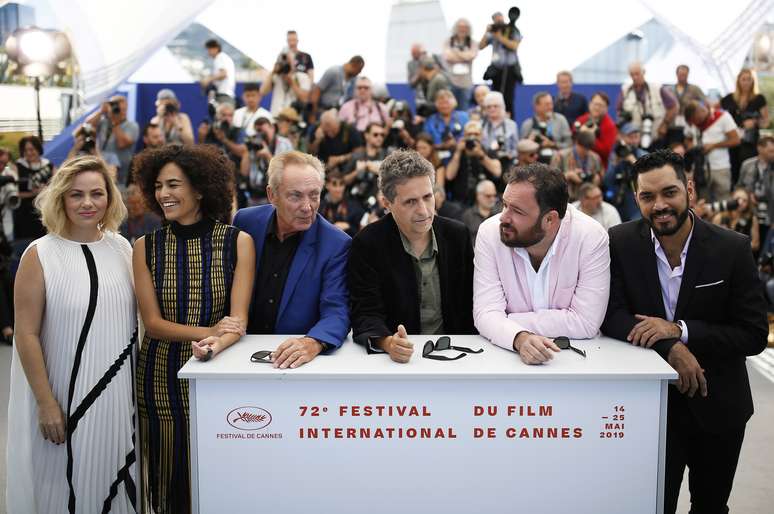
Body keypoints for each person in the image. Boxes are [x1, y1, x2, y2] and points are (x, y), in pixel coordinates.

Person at [600, 149, 767, 514]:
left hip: (719, 405)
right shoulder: (619, 242)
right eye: (648, 196)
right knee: (652, 506)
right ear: (636, 199)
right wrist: (670, 345)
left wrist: (683, 330)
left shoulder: (732, 248)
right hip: (651, 409)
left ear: (689, 189)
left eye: (669, 192)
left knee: (710, 507)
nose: (660, 205)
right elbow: (611, 316)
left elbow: (753, 334)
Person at [7, 155, 136, 513]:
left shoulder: (122, 248)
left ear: (110, 198)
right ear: (61, 198)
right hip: (63, 397)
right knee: (64, 489)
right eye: (76, 194)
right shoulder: (40, 254)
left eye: (97, 193)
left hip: (117, 401)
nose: (88, 203)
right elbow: (27, 334)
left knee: (117, 486)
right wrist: (47, 403)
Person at [132, 144, 255, 514]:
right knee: (169, 485)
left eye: (174, 185)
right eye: (158, 186)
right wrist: (208, 331)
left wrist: (214, 344)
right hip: (158, 379)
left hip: (215, 376)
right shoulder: (144, 246)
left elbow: (239, 322)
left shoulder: (238, 242)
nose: (163, 194)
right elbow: (152, 325)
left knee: (218, 476)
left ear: (199, 188)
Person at [473, 162, 610, 365]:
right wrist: (519, 338)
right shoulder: (489, 232)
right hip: (506, 359)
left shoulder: (590, 236)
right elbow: (485, 313)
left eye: (517, 211)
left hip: (579, 362)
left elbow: (586, 323)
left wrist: (504, 323)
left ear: (550, 220)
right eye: (504, 205)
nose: (503, 217)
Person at [349, 149, 475, 362]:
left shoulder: (457, 235)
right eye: (410, 202)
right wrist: (387, 342)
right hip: (398, 363)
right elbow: (365, 313)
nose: (424, 210)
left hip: (457, 355)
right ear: (386, 204)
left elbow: (471, 303)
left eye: (428, 197)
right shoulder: (367, 243)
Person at [232, 151, 351, 366]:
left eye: (314, 195)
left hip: (297, 362)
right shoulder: (246, 222)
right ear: (272, 195)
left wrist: (314, 342)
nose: (307, 207)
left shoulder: (336, 243)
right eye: (295, 196)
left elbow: (337, 310)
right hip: (237, 351)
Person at [684, 100, 740, 201]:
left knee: (724, 200)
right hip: (700, 168)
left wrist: (714, 145)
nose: (696, 123)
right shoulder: (694, 123)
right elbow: (687, 137)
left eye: (697, 120)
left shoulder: (723, 116)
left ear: (701, 111)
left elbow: (736, 140)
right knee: (703, 200)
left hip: (720, 167)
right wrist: (692, 148)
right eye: (693, 121)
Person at [721, 68, 770, 183]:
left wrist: (755, 122)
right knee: (733, 168)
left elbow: (766, 121)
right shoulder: (729, 98)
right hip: (732, 139)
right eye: (743, 79)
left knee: (748, 167)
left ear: (753, 81)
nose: (746, 82)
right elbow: (716, 111)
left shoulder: (759, 98)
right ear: (738, 81)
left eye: (749, 79)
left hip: (750, 141)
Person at [616, 61, 678, 149]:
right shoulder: (625, 90)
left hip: (655, 138)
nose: (634, 77)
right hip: (633, 141)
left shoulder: (657, 88)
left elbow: (674, 106)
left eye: (637, 74)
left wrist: (665, 124)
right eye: (632, 75)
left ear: (644, 72)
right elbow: (619, 111)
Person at [85, 95, 139, 185]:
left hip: (121, 175)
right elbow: (87, 125)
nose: (119, 111)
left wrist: (115, 123)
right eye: (115, 107)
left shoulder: (132, 126)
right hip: (101, 167)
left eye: (122, 109)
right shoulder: (104, 122)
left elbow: (121, 144)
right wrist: (101, 111)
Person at [239, 116, 294, 206]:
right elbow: (244, 172)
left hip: (276, 196)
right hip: (255, 196)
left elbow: (287, 171)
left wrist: (268, 156)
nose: (261, 135)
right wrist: (247, 152)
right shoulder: (254, 144)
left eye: (263, 132)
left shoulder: (284, 144)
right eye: (258, 131)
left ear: (272, 128)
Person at [445, 120, 502, 205]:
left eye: (476, 134)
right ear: (464, 136)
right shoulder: (457, 151)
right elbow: (449, 176)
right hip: (460, 201)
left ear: (481, 136)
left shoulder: (488, 151)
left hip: (485, 201)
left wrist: (481, 155)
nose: (472, 137)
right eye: (469, 134)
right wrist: (458, 152)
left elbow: (497, 172)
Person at [12, 136, 55, 245]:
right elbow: (13, 194)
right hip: (24, 215)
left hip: (44, 214)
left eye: (31, 149)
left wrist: (46, 190)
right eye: (25, 150)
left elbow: (58, 187)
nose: (29, 153)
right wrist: (33, 193)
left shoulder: (49, 165)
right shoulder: (17, 166)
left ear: (38, 149)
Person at [479, 8, 522, 115]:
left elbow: (514, 46)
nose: (499, 23)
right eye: (497, 21)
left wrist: (500, 37)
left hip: (510, 68)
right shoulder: (492, 32)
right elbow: (480, 46)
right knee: (496, 95)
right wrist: (487, 32)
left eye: (501, 21)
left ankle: (508, 118)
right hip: (496, 69)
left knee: (508, 98)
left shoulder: (512, 30)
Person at [605, 123, 647, 222]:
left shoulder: (644, 155)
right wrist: (615, 164)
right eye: (629, 137)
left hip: (636, 202)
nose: (633, 141)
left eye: (636, 137)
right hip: (619, 199)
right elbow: (607, 181)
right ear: (622, 138)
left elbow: (647, 179)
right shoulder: (616, 154)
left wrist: (633, 161)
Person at [550, 125, 603, 201]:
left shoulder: (595, 157)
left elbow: (600, 177)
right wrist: (567, 176)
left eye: (588, 149)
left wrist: (597, 179)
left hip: (589, 199)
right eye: (583, 148)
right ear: (577, 143)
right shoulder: (560, 156)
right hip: (566, 200)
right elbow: (550, 181)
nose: (586, 152)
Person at [737, 135, 774, 243]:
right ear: (760, 148)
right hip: (750, 211)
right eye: (771, 151)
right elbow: (739, 186)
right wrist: (747, 195)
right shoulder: (747, 165)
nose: (773, 154)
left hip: (770, 212)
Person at [342, 123, 388, 208]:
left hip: (379, 204)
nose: (379, 138)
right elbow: (343, 181)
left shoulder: (387, 155)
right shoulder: (356, 156)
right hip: (356, 201)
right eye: (375, 134)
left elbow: (395, 177)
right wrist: (357, 172)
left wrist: (376, 169)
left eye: (382, 135)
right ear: (366, 135)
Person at [520, 92, 572, 164]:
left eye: (551, 104)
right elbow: (520, 149)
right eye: (547, 104)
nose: (550, 107)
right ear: (536, 107)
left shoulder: (560, 120)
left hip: (557, 156)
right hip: (535, 158)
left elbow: (569, 144)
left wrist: (553, 144)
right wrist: (530, 142)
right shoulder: (528, 124)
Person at [259, 49, 312, 117]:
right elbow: (262, 92)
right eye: (283, 60)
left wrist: (292, 82)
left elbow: (304, 99)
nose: (285, 63)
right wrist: (273, 72)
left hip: (293, 118)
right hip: (276, 116)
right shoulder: (276, 76)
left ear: (294, 62)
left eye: (288, 60)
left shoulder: (302, 77)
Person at [309, 109, 364, 173]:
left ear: (339, 124)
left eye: (333, 130)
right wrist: (317, 140)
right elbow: (310, 154)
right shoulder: (316, 130)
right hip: (322, 166)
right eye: (327, 131)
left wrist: (340, 158)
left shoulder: (349, 130)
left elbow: (360, 152)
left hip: (345, 166)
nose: (330, 133)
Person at [573, 92, 618, 169]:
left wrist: (588, 135)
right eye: (595, 104)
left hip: (598, 166)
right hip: (576, 162)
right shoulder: (581, 120)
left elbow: (606, 151)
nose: (597, 108)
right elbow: (573, 140)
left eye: (600, 105)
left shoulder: (610, 126)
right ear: (590, 104)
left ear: (606, 108)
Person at [423, 89, 469, 164]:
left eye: (447, 102)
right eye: (441, 103)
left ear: (454, 103)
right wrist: (441, 145)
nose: (444, 106)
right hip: (436, 157)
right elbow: (425, 142)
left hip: (461, 155)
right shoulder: (430, 120)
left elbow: (469, 136)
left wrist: (456, 143)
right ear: (436, 104)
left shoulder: (464, 117)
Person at [198, 102, 246, 169]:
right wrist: (201, 136)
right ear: (217, 116)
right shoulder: (209, 130)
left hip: (233, 169)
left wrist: (224, 140)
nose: (227, 118)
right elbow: (201, 152)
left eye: (230, 115)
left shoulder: (237, 131)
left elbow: (242, 152)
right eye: (224, 115)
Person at [443, 18, 478, 110]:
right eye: (460, 27)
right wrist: (464, 56)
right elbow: (447, 57)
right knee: (450, 108)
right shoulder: (448, 41)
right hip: (451, 81)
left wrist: (455, 52)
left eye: (465, 27)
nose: (462, 29)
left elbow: (471, 56)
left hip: (466, 83)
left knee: (464, 108)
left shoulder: (472, 43)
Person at [712, 186, 760, 253]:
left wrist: (738, 245)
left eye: (744, 200)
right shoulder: (720, 216)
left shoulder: (752, 219)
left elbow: (756, 245)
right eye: (738, 199)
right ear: (732, 199)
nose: (740, 202)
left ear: (748, 203)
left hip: (740, 256)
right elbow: (712, 240)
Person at [481, 91, 519, 173]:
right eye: (489, 107)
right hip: (486, 163)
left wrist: (510, 154)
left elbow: (516, 148)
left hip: (507, 163)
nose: (492, 109)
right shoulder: (481, 125)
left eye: (495, 106)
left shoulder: (511, 125)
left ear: (502, 107)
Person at [319, 170, 363, 237]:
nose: (338, 189)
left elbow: (361, 232)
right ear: (327, 185)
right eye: (334, 184)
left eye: (341, 184)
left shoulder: (354, 206)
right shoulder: (320, 206)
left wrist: (348, 226)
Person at [461, 179, 499, 244]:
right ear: (478, 195)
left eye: (494, 195)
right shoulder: (468, 215)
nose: (492, 199)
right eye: (488, 196)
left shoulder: (499, 214)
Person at [201, 38, 236, 104]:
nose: (208, 52)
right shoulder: (224, 57)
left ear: (216, 48)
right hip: (225, 94)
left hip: (223, 95)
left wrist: (207, 79)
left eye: (209, 49)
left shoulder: (219, 57)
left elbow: (223, 74)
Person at [407, 43, 428, 110]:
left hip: (430, 97)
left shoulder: (430, 62)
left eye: (415, 53)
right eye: (412, 53)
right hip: (419, 99)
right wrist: (419, 73)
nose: (413, 55)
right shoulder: (410, 64)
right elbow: (411, 84)